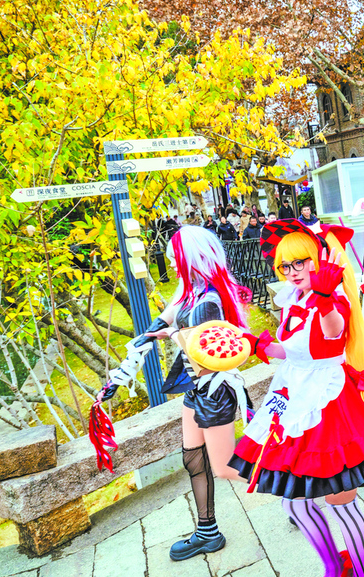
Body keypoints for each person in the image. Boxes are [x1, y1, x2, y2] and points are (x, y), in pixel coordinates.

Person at [230, 221, 364, 577]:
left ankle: (363, 573)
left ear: (317, 259)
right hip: (293, 394)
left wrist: (326, 297)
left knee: (340, 500)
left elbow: (333, 334)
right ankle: (334, 568)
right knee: (295, 505)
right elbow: (293, 350)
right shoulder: (294, 299)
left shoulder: (333, 298)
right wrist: (256, 345)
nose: (292, 271)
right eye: (285, 265)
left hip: (331, 402)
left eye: (300, 262)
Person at [99, 226, 252, 561]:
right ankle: (207, 532)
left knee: (226, 468)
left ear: (190, 258)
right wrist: (121, 374)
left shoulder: (208, 301)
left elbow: (206, 356)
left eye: (175, 257)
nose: (170, 262)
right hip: (196, 391)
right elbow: (159, 322)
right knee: (193, 459)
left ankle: (297, 486)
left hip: (214, 391)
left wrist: (172, 334)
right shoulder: (191, 292)